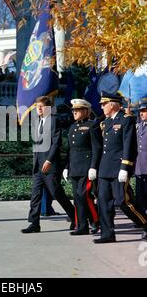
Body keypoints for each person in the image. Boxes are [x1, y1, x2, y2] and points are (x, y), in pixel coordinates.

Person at [94, 91, 147, 243]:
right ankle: (107, 234)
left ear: (112, 105)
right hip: (105, 168)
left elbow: (128, 145)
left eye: (104, 104)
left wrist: (125, 167)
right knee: (103, 202)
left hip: (118, 168)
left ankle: (145, 222)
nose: (102, 107)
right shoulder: (106, 122)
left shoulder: (126, 120)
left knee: (123, 202)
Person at [21, 96, 75, 233]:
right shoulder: (37, 121)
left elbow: (56, 143)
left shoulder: (53, 120)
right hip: (38, 165)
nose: (39, 109)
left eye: (41, 106)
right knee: (35, 195)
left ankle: (75, 216)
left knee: (57, 193)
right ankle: (34, 224)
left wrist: (49, 160)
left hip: (49, 165)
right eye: (37, 106)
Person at [62, 99, 102, 235]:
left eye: (77, 110)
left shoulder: (92, 125)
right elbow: (70, 150)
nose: (74, 112)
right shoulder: (73, 127)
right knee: (77, 197)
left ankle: (96, 220)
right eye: (73, 110)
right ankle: (82, 226)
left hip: (86, 167)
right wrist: (66, 167)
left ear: (86, 111)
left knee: (83, 194)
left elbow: (96, 148)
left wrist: (93, 167)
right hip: (74, 167)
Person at [135, 98, 147, 240]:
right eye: (141, 111)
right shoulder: (139, 125)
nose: (142, 113)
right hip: (139, 168)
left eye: (144, 111)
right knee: (140, 199)